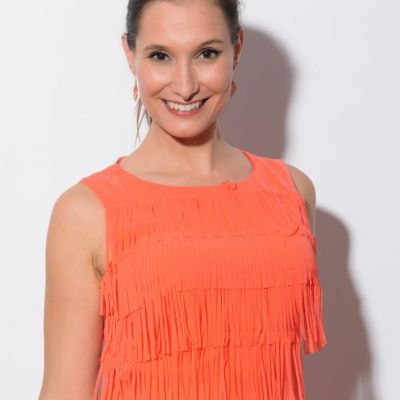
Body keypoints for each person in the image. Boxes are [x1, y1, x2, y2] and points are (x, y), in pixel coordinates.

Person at [39, 0, 327, 399]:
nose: (185, 85)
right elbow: (64, 390)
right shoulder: (85, 213)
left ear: (236, 50)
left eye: (206, 54)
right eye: (161, 56)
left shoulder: (293, 192)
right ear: (130, 54)